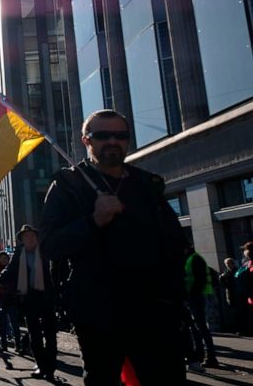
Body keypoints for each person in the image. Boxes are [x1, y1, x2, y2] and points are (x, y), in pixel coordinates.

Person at [40, 109, 187, 385]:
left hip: (154, 311)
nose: (112, 141)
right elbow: (49, 246)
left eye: (120, 135)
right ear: (87, 140)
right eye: (102, 135)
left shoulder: (146, 184)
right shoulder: (68, 184)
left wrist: (174, 298)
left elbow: (175, 243)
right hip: (99, 315)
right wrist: (94, 221)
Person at [0, 225, 57, 381]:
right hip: (29, 299)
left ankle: (50, 368)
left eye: (32, 236)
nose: (30, 239)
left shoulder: (45, 250)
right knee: (34, 334)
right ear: (22, 240)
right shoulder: (19, 253)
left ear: (37, 238)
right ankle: (41, 365)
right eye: (26, 237)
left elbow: (56, 271)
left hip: (46, 297)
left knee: (50, 335)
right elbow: (9, 270)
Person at [184, 244, 218, 369]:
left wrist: (189, 295)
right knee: (197, 328)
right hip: (196, 296)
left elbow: (197, 280)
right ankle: (202, 355)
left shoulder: (193, 259)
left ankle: (210, 356)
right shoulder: (193, 258)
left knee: (200, 327)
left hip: (196, 297)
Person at [0, 251, 19, 352]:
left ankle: (18, 344)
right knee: (2, 322)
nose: (4, 260)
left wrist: (5, 288)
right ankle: (4, 344)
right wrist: (3, 289)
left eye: (6, 258)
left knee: (14, 322)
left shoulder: (12, 270)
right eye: (2, 258)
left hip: (11, 299)